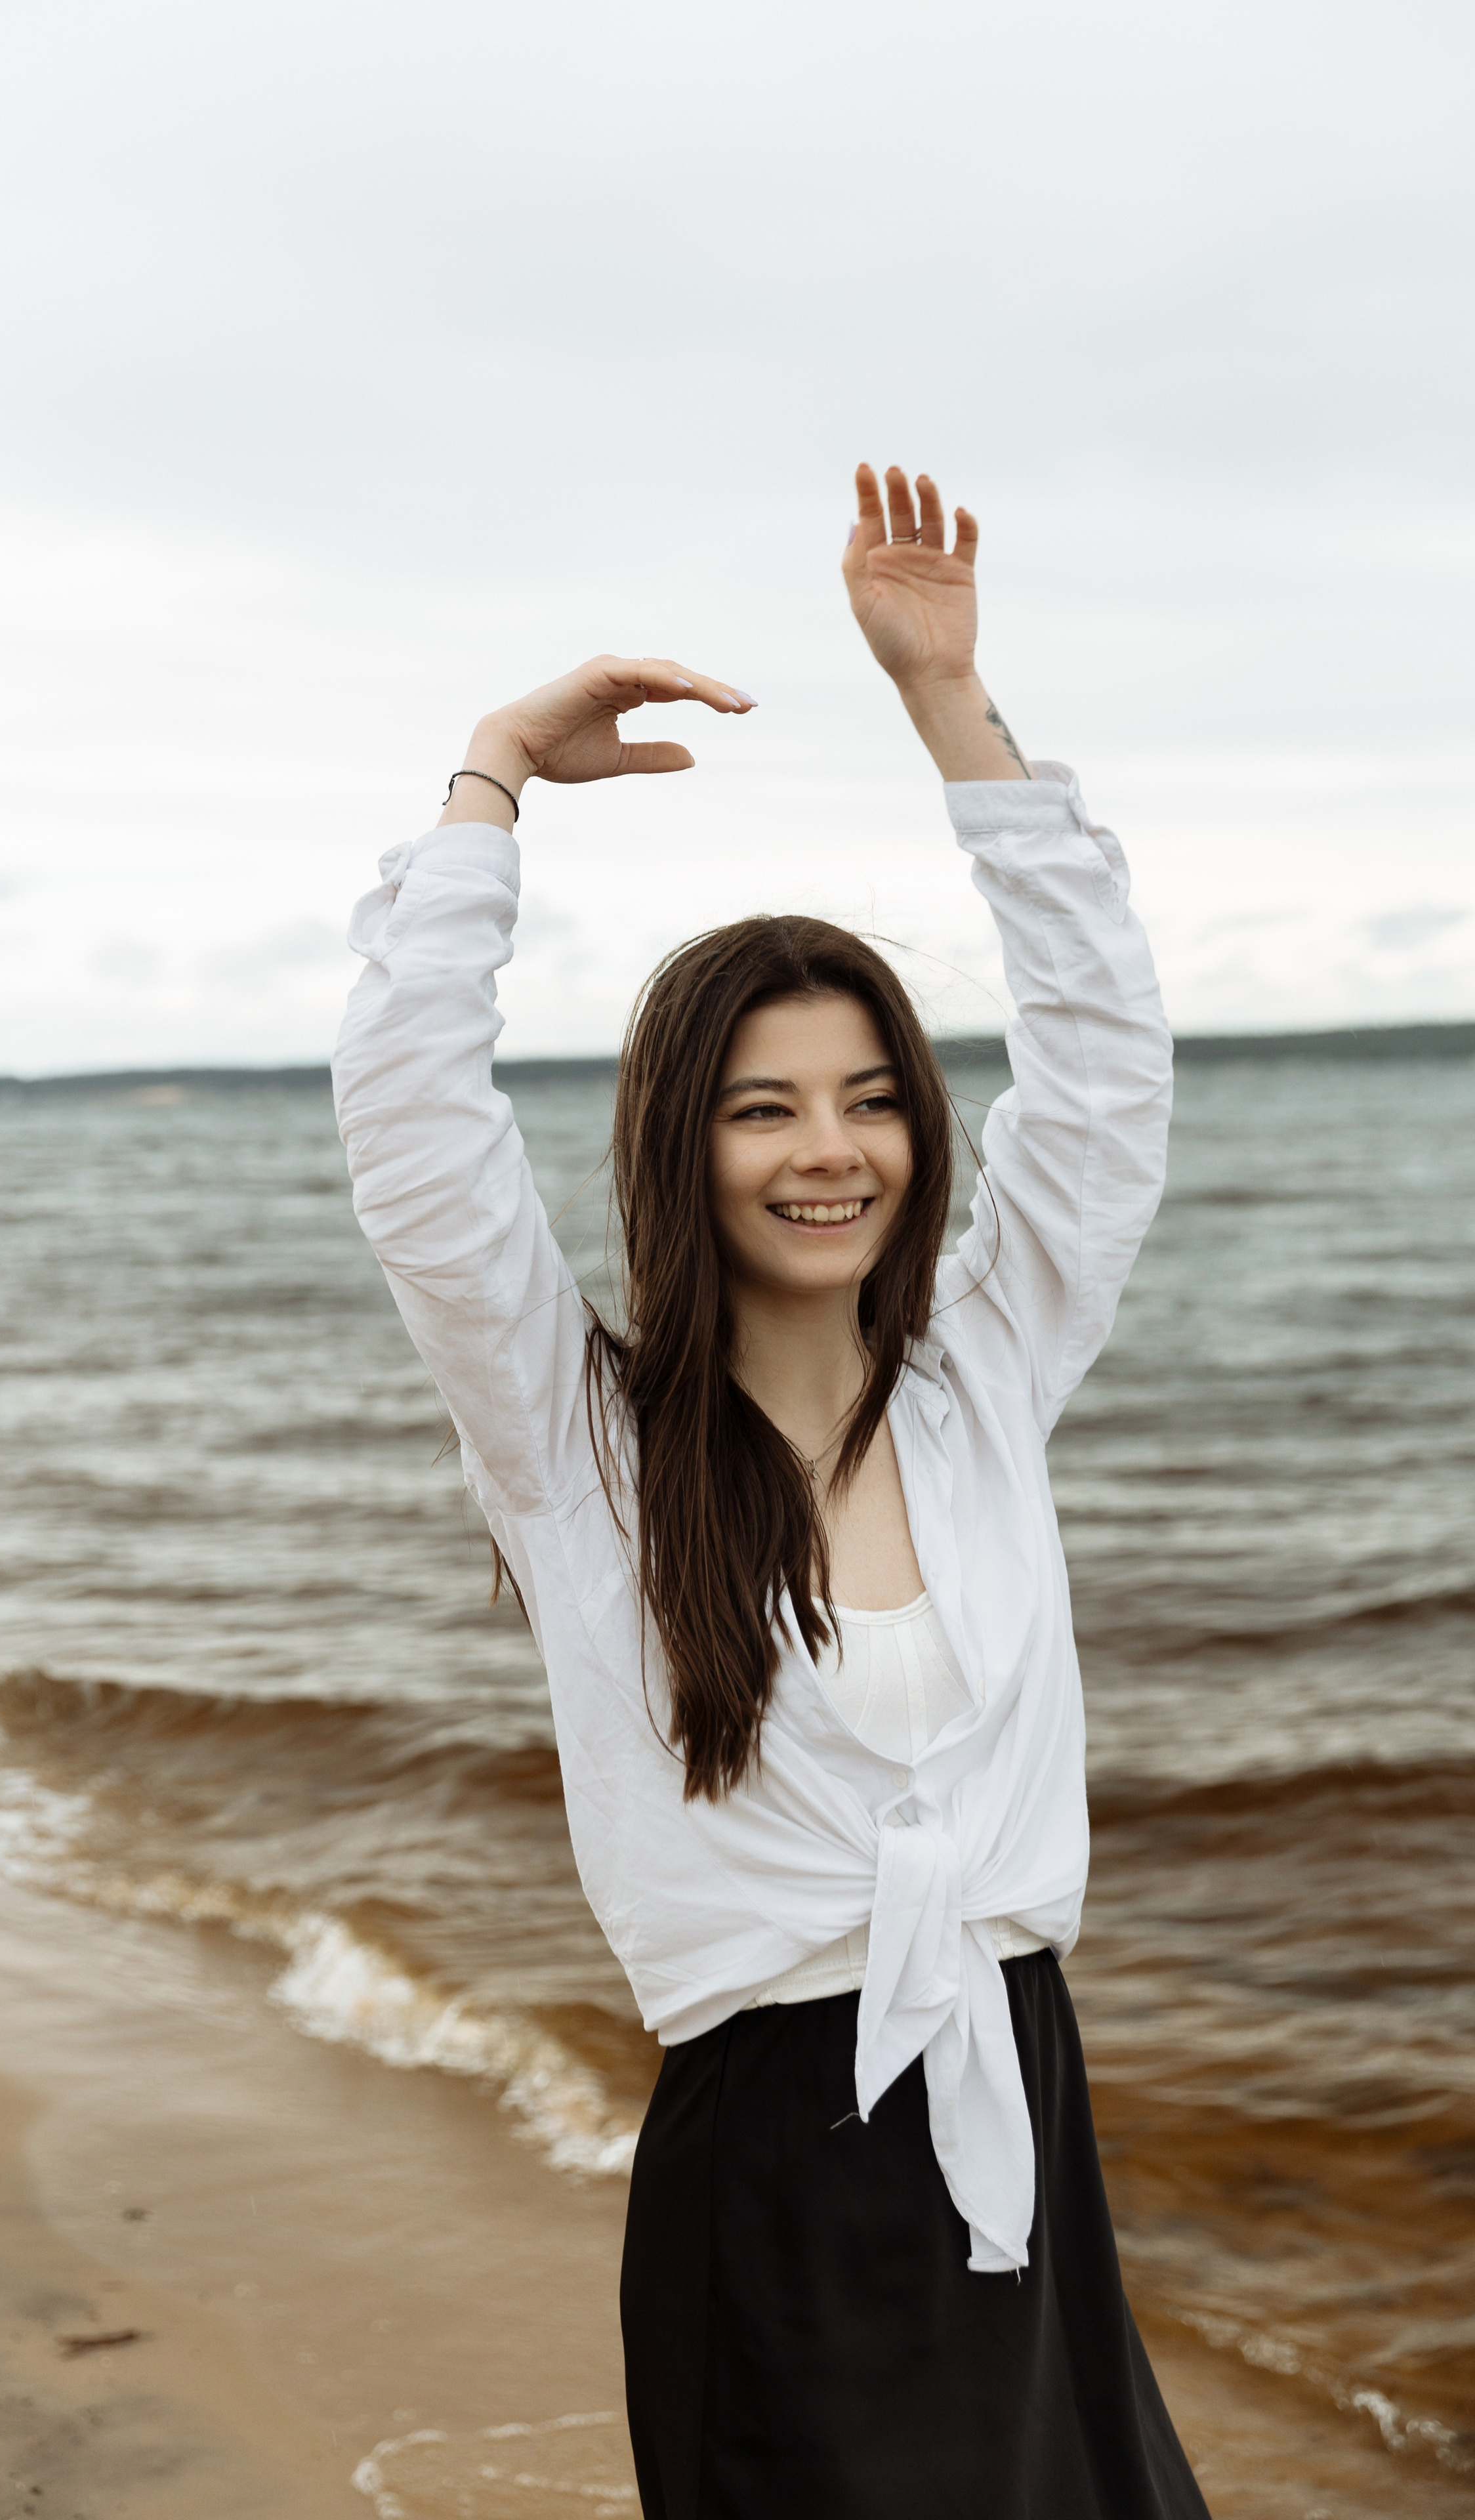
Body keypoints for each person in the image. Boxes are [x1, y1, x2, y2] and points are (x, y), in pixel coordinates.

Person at [332, 464, 1208, 2519]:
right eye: (765, 1107)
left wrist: (950, 708)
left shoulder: (985, 1385)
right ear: (682, 1147)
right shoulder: (582, 1449)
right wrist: (488, 786)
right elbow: (414, 1145)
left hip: (1018, 2107)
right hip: (773, 2178)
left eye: (874, 1097)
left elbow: (1105, 1076)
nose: (834, 1150)